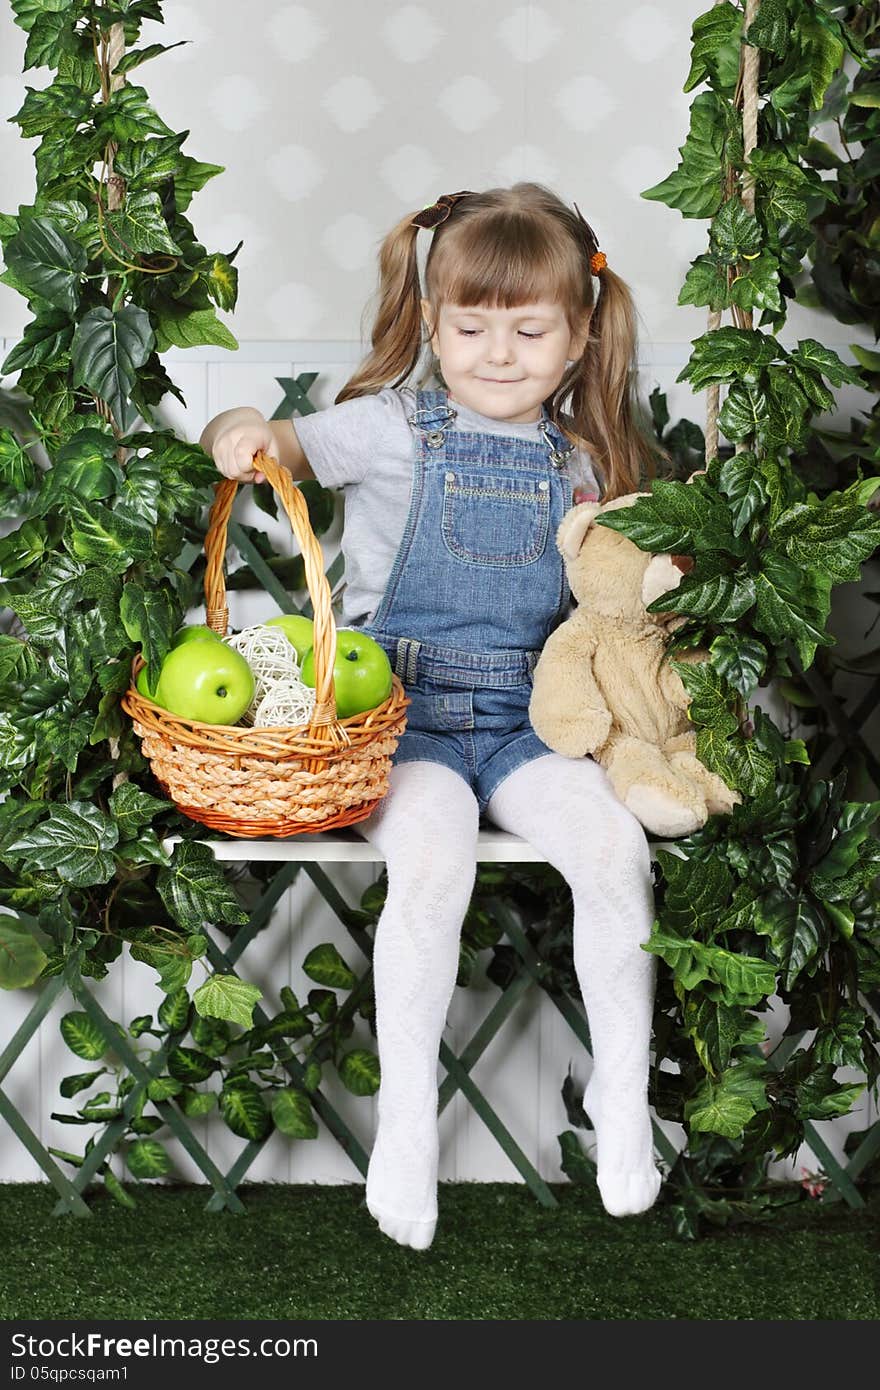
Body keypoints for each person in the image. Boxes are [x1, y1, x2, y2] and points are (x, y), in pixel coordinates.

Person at [199, 182, 669, 1251]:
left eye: (527, 329)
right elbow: (277, 438)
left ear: (578, 334)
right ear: (435, 324)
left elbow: (608, 599)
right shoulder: (387, 427)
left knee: (611, 848)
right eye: (469, 327)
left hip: (527, 717)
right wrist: (237, 430)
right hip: (397, 714)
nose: (496, 353)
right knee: (435, 856)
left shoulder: (583, 461)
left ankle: (622, 1098)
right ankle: (406, 1123)